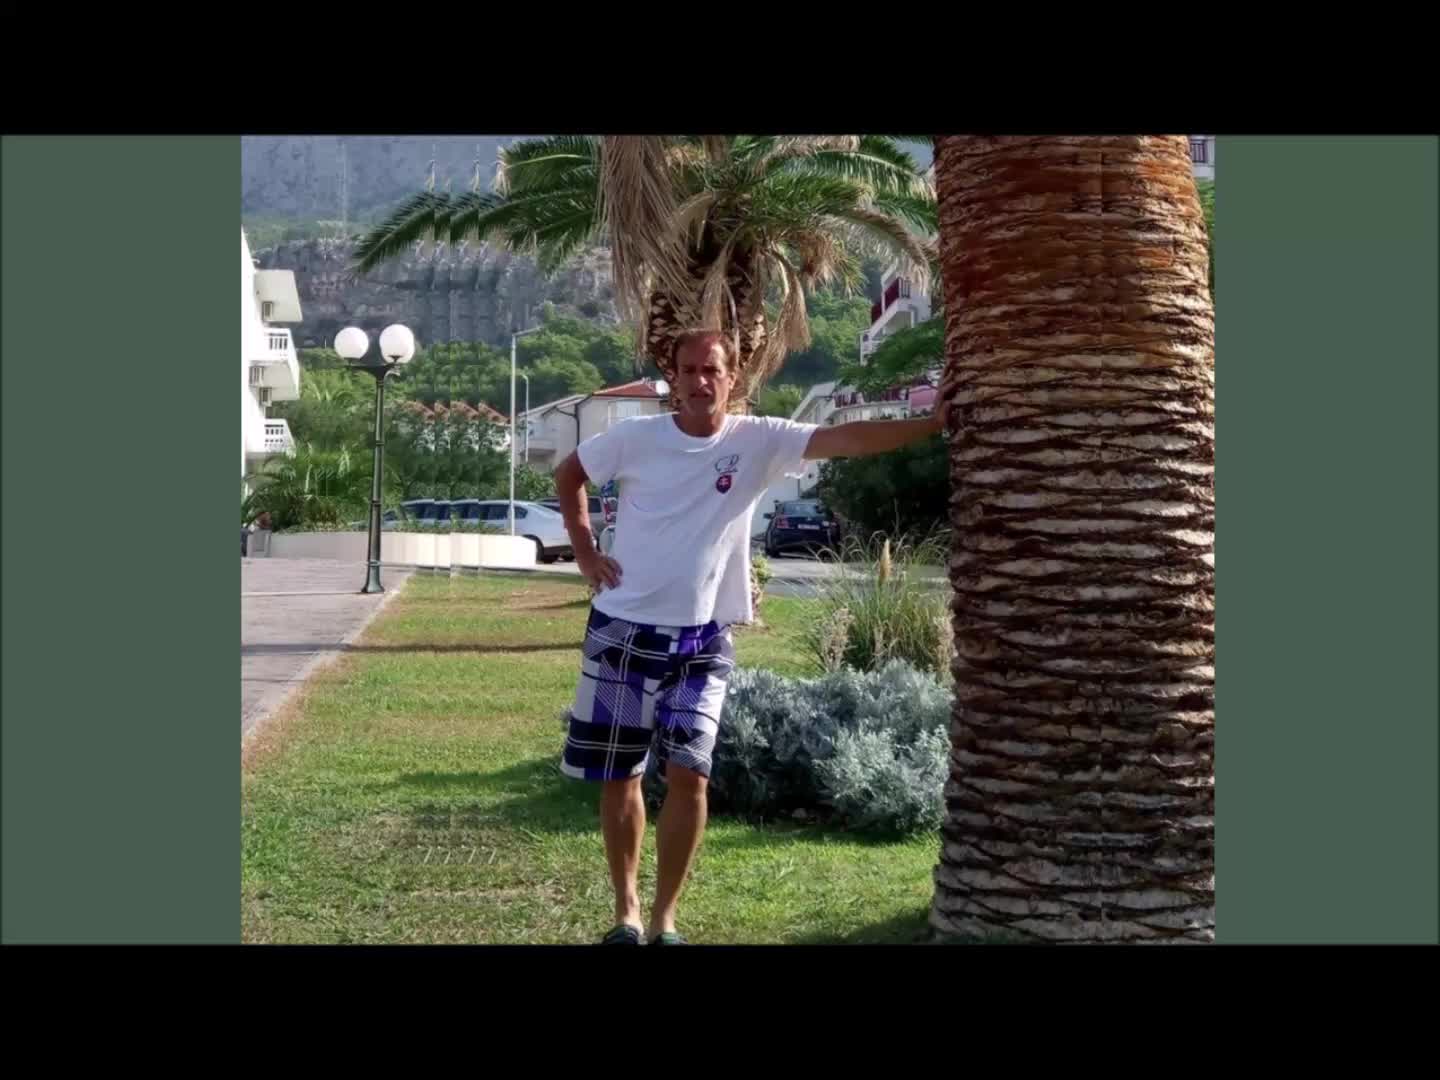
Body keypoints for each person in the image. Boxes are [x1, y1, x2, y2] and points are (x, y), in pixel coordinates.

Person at [552, 328, 952, 945]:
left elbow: (846, 439)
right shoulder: (636, 439)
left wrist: (930, 423)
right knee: (621, 774)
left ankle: (664, 919)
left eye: (711, 370)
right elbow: (569, 473)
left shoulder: (760, 440)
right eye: (689, 370)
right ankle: (626, 913)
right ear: (674, 377)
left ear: (732, 376)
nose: (699, 381)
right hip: (622, 629)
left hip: (703, 638)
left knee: (691, 774)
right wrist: (584, 551)